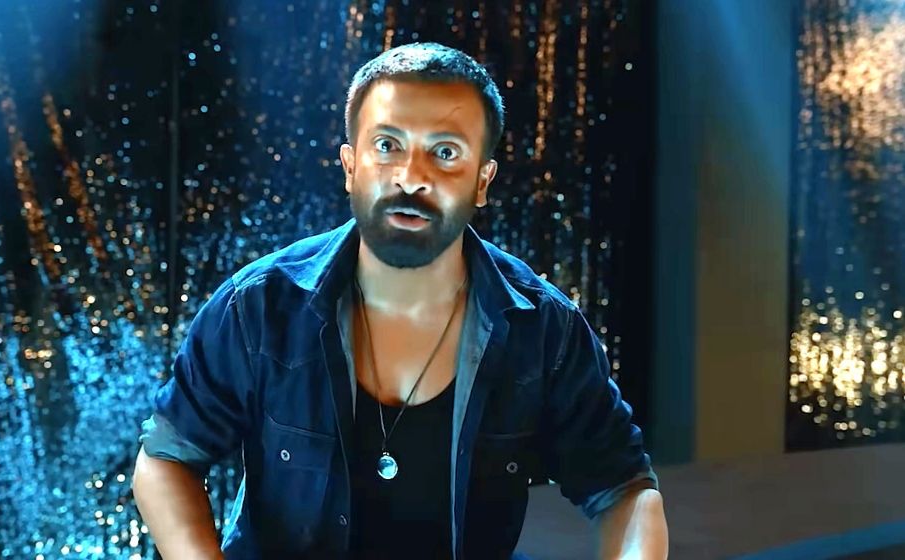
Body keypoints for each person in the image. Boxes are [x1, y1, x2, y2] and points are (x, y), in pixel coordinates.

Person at [132, 42, 668, 560]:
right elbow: (165, 461)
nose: (411, 178)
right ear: (350, 167)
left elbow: (625, 487)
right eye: (387, 146)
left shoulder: (545, 328)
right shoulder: (259, 306)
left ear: (483, 181)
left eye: (445, 153)